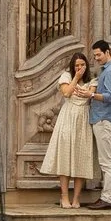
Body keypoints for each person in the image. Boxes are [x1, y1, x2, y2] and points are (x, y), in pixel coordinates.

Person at [39, 51, 98, 208]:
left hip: (84, 118)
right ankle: (64, 196)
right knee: (64, 156)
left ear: (87, 65)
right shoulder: (66, 76)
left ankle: (76, 198)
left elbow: (90, 94)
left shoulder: (93, 80)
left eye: (82, 65)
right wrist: (76, 78)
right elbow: (66, 93)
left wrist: (87, 91)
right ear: (73, 66)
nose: (80, 67)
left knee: (81, 157)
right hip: (68, 117)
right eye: (77, 65)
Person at [85, 38, 111, 209]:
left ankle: (107, 199)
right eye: (94, 56)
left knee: (107, 162)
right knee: (105, 161)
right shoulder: (108, 70)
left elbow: (110, 97)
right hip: (102, 119)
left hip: (105, 120)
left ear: (108, 52)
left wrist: (91, 96)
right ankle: (105, 197)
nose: (96, 58)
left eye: (99, 55)